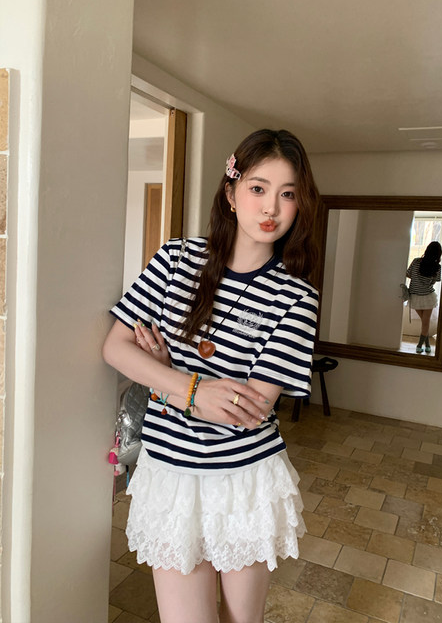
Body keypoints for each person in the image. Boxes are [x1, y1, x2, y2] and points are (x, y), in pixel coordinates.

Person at [103, 129, 320, 623]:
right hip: (171, 475)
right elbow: (115, 346)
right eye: (258, 188)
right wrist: (193, 389)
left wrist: (162, 378)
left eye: (288, 194)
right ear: (231, 192)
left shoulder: (296, 297)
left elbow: (249, 410)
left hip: (243, 480)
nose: (271, 207)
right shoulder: (176, 259)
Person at [406, 240, 442, 353]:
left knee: (424, 322)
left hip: (415, 296)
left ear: (427, 250)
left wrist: (417, 279)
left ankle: (423, 345)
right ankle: (422, 345)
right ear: (438, 254)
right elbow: (434, 281)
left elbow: (408, 274)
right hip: (428, 296)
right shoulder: (437, 267)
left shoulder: (416, 261)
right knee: (425, 322)